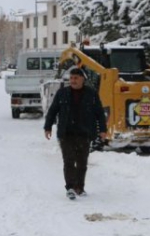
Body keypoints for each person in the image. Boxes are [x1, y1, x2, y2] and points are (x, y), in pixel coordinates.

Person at [44, 67, 107, 200]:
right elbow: (53, 110)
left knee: (82, 162)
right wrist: (47, 127)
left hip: (84, 133)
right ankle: (70, 188)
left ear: (83, 79)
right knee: (69, 161)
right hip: (66, 133)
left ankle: (80, 187)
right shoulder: (62, 93)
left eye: (76, 78)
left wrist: (103, 129)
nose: (73, 80)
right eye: (71, 78)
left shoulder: (92, 94)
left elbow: (99, 113)